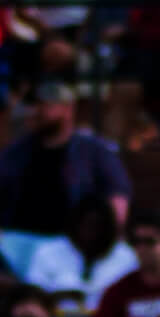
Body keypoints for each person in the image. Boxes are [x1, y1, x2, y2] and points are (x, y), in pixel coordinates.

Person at [0, 82, 130, 250]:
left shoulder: (94, 152)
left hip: (71, 245)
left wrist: (102, 241)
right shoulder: (16, 152)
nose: (35, 111)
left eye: (45, 105)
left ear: (68, 109)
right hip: (18, 241)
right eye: (33, 105)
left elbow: (117, 197)